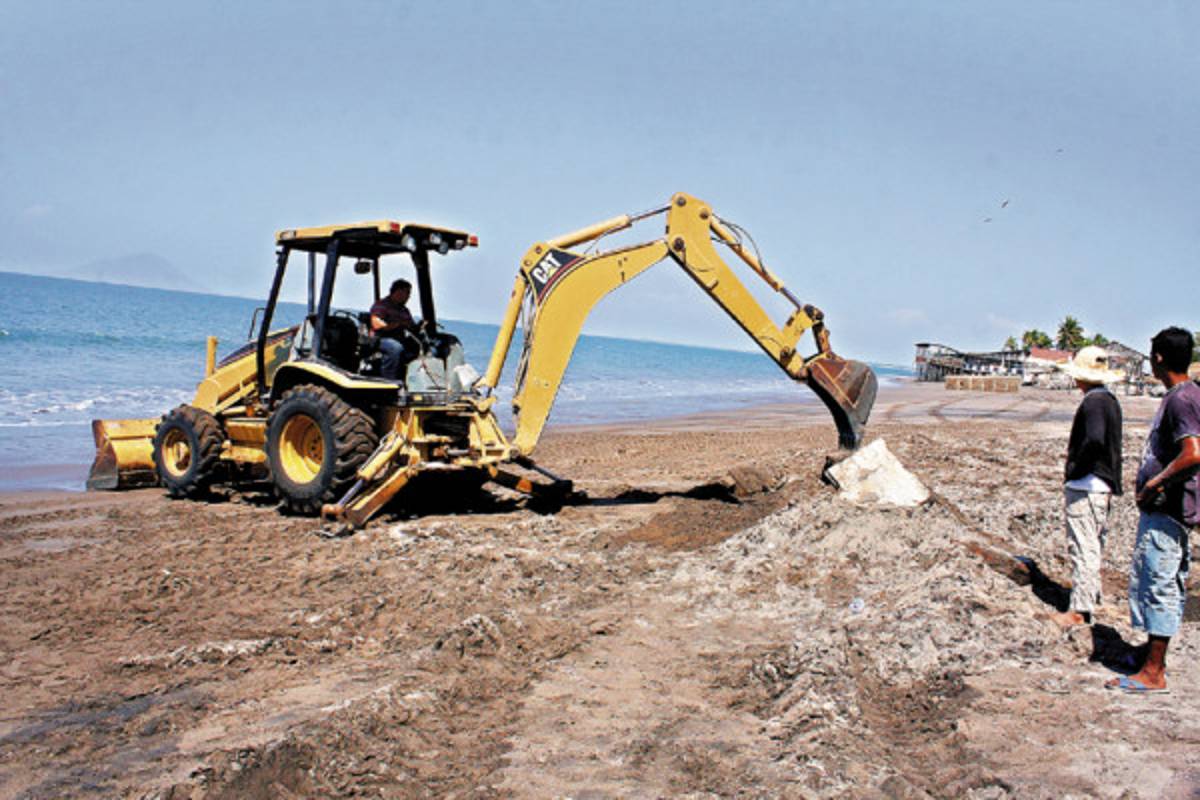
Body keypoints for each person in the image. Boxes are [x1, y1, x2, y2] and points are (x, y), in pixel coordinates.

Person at [1107, 327, 1200, 694]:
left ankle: (1153, 671)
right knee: (1160, 580)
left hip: (1168, 509)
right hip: (1171, 508)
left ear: (1158, 358)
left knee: (1159, 582)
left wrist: (1154, 483)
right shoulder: (1186, 395)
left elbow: (1193, 453)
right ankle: (1149, 654)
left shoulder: (1181, 400)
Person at [1050, 346, 1123, 628]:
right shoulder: (1109, 400)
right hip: (1101, 484)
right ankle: (1091, 597)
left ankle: (1080, 609)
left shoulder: (1093, 402)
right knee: (1093, 544)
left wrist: (1074, 469)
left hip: (1088, 484)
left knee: (1083, 547)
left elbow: (1093, 440)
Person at [370, 279, 419, 379]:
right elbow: (377, 324)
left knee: (423, 347)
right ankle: (388, 380)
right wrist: (397, 325)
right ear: (398, 292)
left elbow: (411, 325)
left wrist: (417, 327)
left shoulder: (404, 310)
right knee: (395, 348)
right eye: (407, 293)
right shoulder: (382, 305)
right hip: (381, 338)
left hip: (400, 337)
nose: (409, 297)